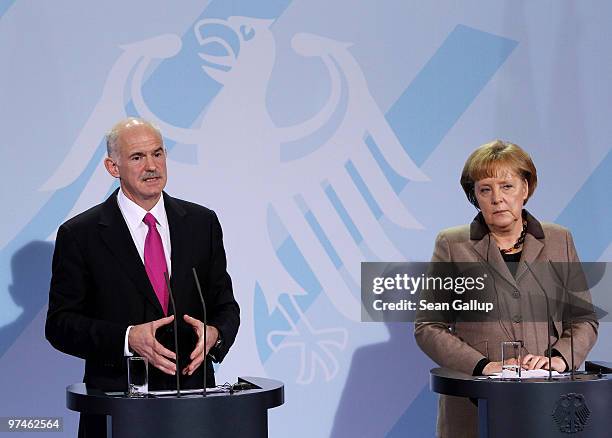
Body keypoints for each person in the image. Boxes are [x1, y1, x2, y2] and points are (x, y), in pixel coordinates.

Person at [45, 117, 240, 437]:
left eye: (158, 153)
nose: (152, 165)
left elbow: (225, 304)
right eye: (138, 157)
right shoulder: (81, 235)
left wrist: (215, 334)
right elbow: (60, 324)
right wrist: (127, 338)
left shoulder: (201, 223)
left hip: (192, 405)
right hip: (117, 406)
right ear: (113, 167)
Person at [414, 140, 598, 438]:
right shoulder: (452, 244)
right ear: (474, 196)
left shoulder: (559, 240)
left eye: (507, 186)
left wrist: (558, 359)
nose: (497, 198)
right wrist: (483, 366)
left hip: (545, 404)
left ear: (525, 189)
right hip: (474, 407)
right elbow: (428, 326)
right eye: (485, 189)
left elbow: (584, 321)